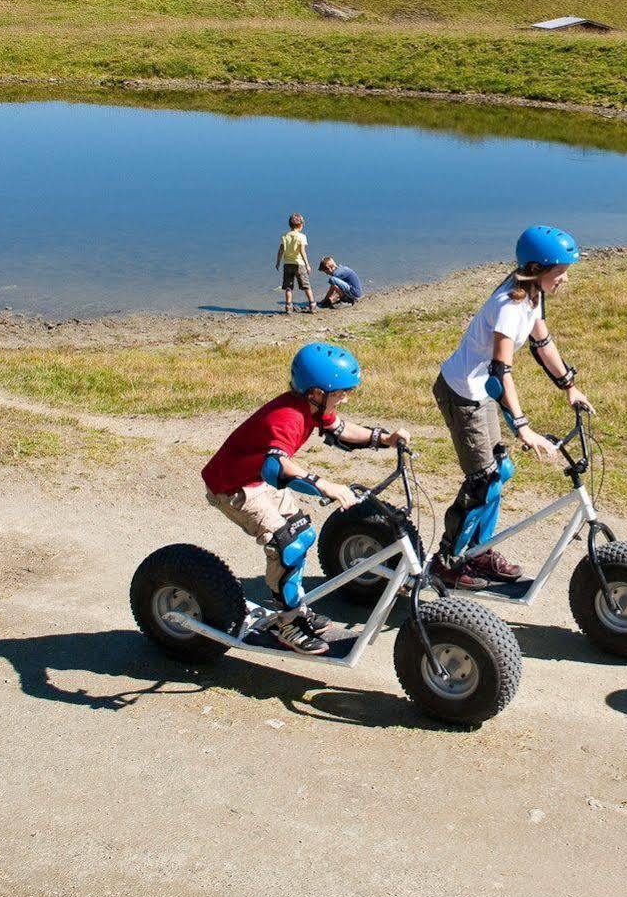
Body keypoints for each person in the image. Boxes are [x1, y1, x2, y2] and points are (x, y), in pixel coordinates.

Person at [200, 342, 410, 654]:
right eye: (339, 393)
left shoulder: (310, 407)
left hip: (254, 478)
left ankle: (296, 611)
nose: (344, 398)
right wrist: (327, 486)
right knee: (286, 543)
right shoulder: (288, 417)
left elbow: (341, 430)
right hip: (233, 487)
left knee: (302, 532)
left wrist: (385, 439)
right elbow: (277, 466)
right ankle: (286, 623)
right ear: (315, 392)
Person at [430, 225, 589, 589]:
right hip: (462, 393)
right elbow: (500, 372)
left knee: (500, 471)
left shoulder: (533, 297)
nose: (564, 279)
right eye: (560, 271)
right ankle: (447, 562)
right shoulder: (509, 306)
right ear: (536, 268)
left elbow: (543, 343)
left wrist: (570, 387)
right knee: (482, 480)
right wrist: (523, 426)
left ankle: (479, 551)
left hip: (480, 390)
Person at [276, 212, 313, 315]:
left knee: (288, 287)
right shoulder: (301, 236)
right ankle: (312, 305)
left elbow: (281, 250)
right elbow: (302, 251)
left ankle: (288, 307)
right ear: (300, 225)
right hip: (299, 264)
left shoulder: (285, 236)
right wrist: (307, 264)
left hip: (287, 264)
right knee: (306, 285)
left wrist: (278, 262)